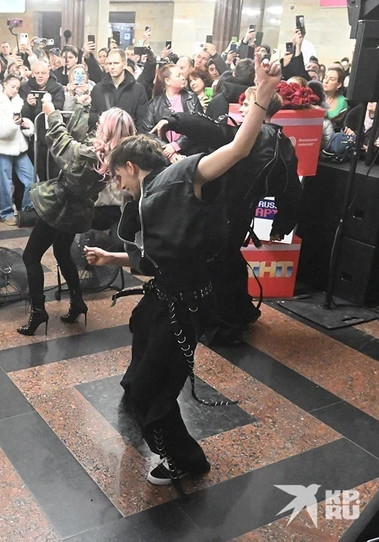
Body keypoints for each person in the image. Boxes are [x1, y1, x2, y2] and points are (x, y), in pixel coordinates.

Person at [84, 53, 282, 485]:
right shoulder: (147, 195)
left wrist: (263, 96)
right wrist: (112, 258)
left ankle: (185, 460)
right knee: (141, 344)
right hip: (166, 296)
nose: (118, 185)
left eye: (118, 177)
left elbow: (237, 148)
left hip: (188, 304)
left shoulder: (183, 175)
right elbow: (155, 259)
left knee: (152, 390)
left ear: (131, 167)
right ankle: (140, 389)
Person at [153, 86, 302, 344]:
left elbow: (213, 130)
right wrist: (283, 222)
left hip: (224, 210)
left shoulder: (251, 136)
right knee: (230, 261)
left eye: (247, 104)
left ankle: (227, 326)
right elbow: (290, 189)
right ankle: (241, 312)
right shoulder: (283, 142)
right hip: (241, 211)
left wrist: (174, 120)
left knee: (219, 265)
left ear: (261, 108)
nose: (241, 109)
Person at [18, 102, 135, 335]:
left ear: (108, 129)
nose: (98, 125)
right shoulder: (116, 158)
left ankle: (38, 312)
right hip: (79, 211)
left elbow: (62, 143)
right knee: (62, 253)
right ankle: (77, 302)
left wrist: (52, 114)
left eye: (102, 123)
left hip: (58, 207)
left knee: (30, 256)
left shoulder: (89, 154)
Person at [0, 75, 36, 225]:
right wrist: (13, 125)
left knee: (32, 179)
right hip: (2, 148)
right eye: (12, 86)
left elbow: (20, 124)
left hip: (19, 147)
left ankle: (27, 210)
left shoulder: (18, 102)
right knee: (4, 182)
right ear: (4, 84)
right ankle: (6, 212)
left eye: (17, 88)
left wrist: (26, 125)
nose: (15, 90)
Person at [144, 64, 203, 160]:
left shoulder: (192, 99)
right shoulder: (154, 104)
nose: (183, 78)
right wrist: (168, 151)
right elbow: (148, 132)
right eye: (178, 75)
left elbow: (198, 127)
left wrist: (176, 145)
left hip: (190, 153)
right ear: (167, 81)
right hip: (164, 156)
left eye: (182, 75)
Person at [89, 49, 149, 134]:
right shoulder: (98, 89)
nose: (112, 67)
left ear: (124, 64)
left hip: (129, 138)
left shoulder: (138, 90)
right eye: (109, 63)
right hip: (104, 137)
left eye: (116, 63)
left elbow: (141, 121)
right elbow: (93, 118)